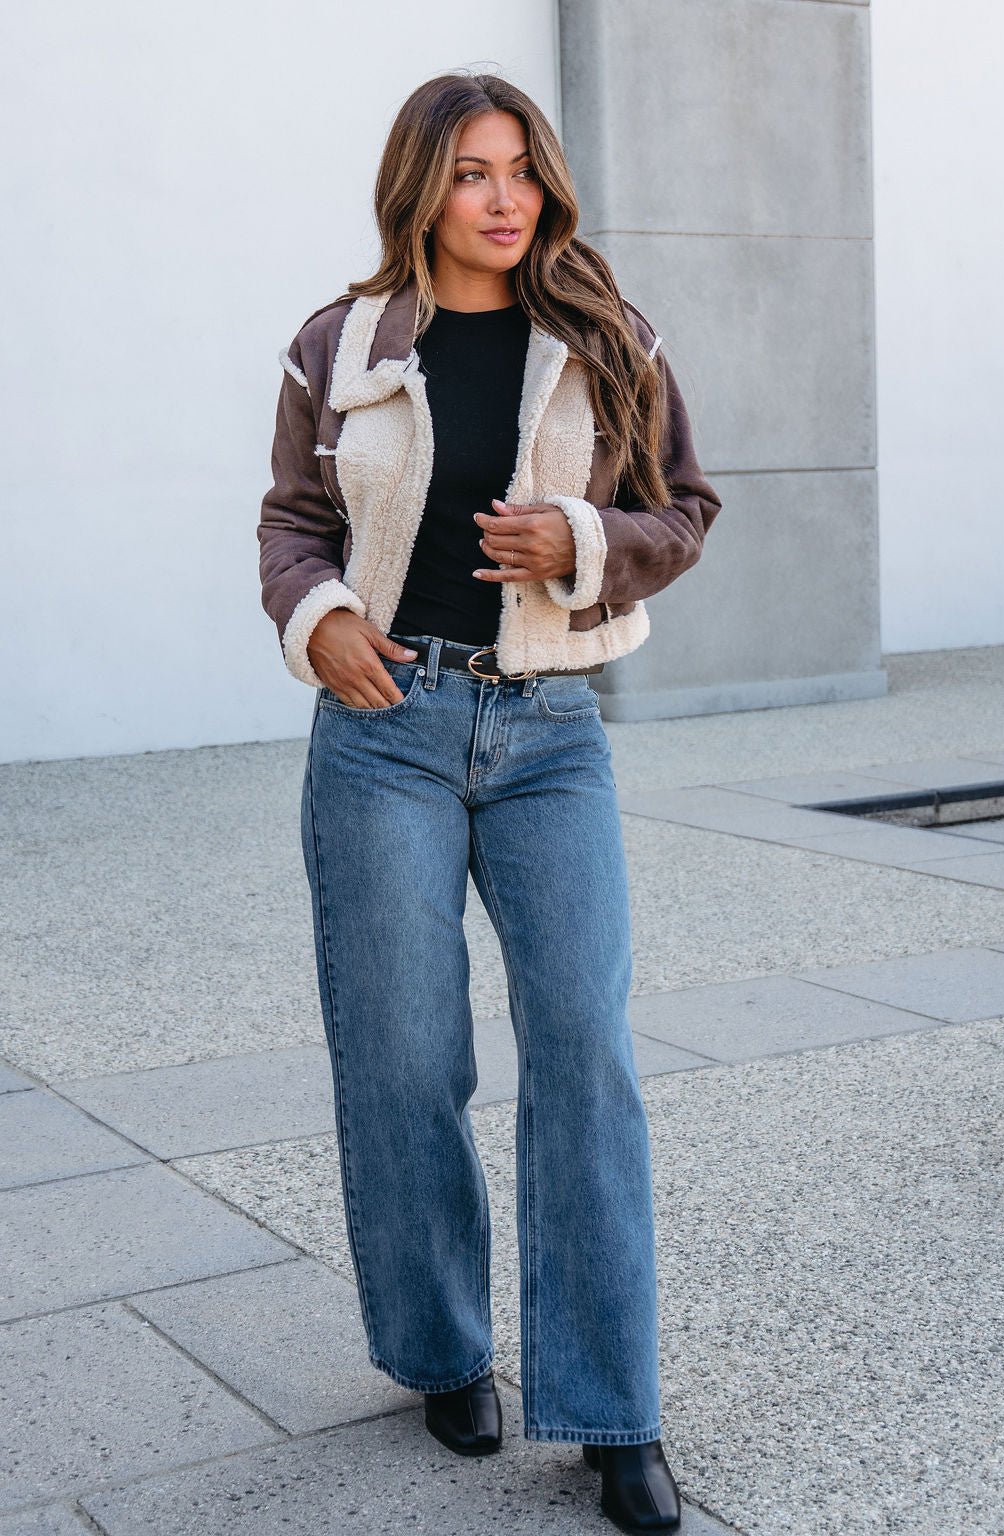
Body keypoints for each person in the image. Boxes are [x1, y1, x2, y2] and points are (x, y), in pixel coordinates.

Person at [258, 70, 722, 1535]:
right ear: (421, 189)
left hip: (549, 733)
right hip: (385, 728)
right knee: (401, 1059)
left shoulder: (610, 335)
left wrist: (585, 538)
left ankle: (612, 1410)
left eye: (522, 169)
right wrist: (317, 608)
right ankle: (444, 1350)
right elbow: (292, 517)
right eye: (471, 173)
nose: (505, 198)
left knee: (585, 1049)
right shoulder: (340, 344)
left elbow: (685, 511)